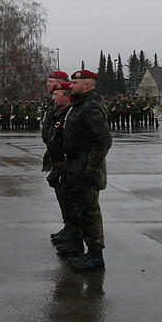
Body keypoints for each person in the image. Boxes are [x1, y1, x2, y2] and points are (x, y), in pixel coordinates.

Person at [60, 69, 112, 272]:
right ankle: (87, 251)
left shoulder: (91, 108)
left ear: (87, 84)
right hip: (75, 165)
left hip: (86, 165)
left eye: (75, 82)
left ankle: (96, 255)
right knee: (81, 209)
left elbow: (104, 140)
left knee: (90, 211)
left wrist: (92, 168)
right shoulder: (78, 106)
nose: (70, 85)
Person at [45, 82, 79, 255]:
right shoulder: (58, 112)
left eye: (56, 94)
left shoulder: (72, 113)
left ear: (67, 96)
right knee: (64, 200)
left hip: (69, 163)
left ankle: (77, 241)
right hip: (58, 161)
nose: (53, 97)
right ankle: (69, 230)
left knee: (73, 204)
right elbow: (50, 135)